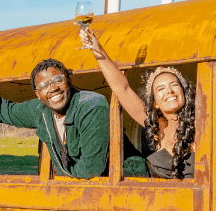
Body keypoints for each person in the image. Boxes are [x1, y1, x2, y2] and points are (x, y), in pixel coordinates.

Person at [0, 55, 119, 180]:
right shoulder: (40, 110)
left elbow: (91, 170)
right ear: (37, 94)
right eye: (44, 85)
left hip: (123, 186)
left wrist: (61, 181)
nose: (52, 88)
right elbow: (1, 109)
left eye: (57, 80)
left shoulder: (91, 106)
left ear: (68, 80)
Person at [79, 26, 195, 179]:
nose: (169, 91)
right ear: (155, 103)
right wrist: (96, 48)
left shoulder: (201, 125)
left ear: (184, 92)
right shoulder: (157, 129)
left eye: (174, 85)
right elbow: (122, 89)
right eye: (161, 88)